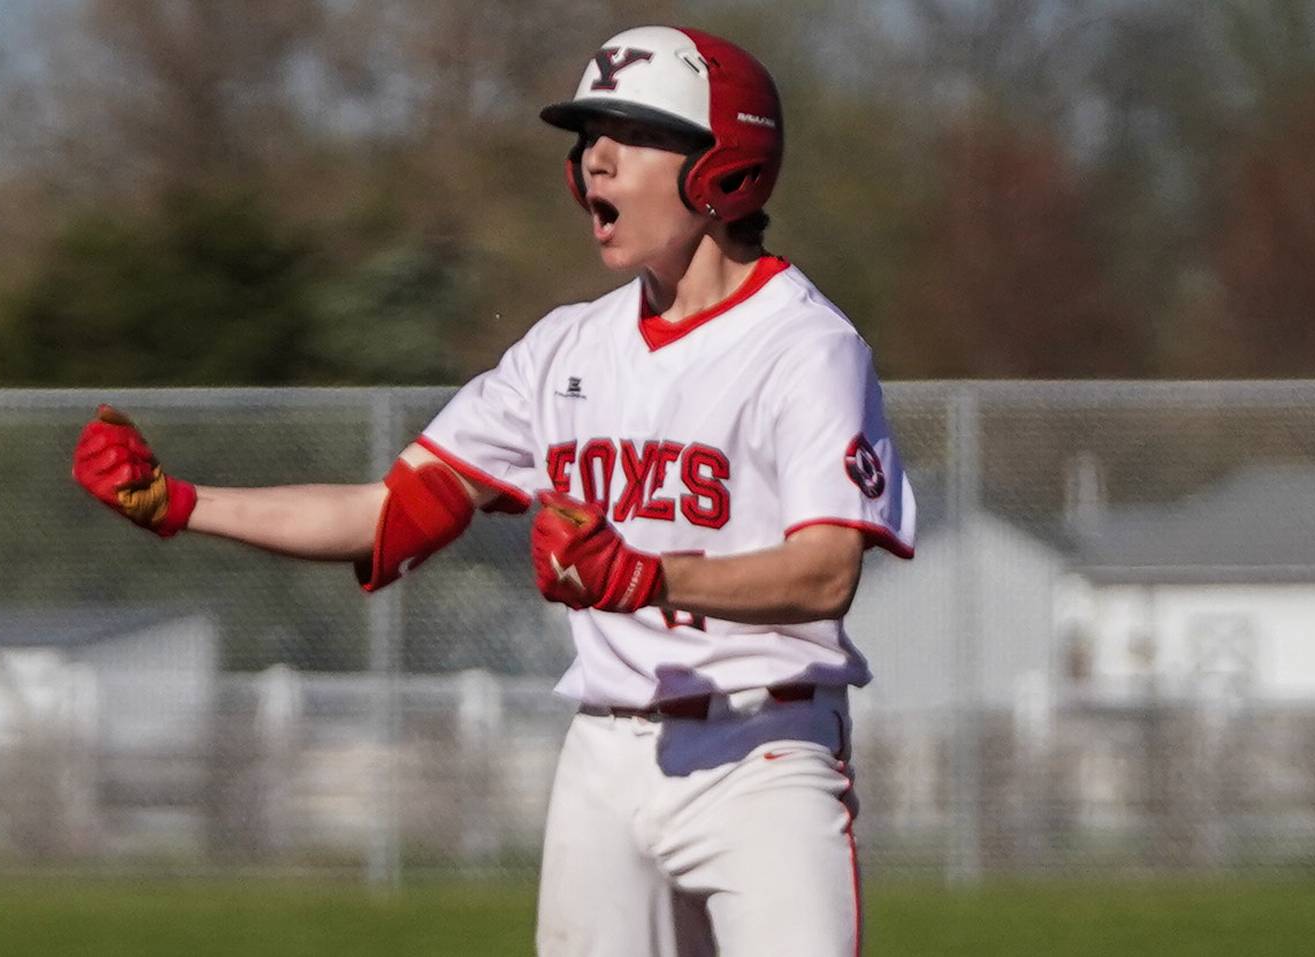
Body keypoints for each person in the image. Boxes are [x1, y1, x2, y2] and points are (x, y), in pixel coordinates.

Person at [71, 24, 915, 957]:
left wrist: (646, 577)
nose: (592, 158)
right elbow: (391, 512)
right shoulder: (565, 349)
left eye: (628, 133)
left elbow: (825, 570)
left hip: (764, 750)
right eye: (586, 136)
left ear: (725, 170)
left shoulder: (804, 346)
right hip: (606, 758)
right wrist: (181, 504)